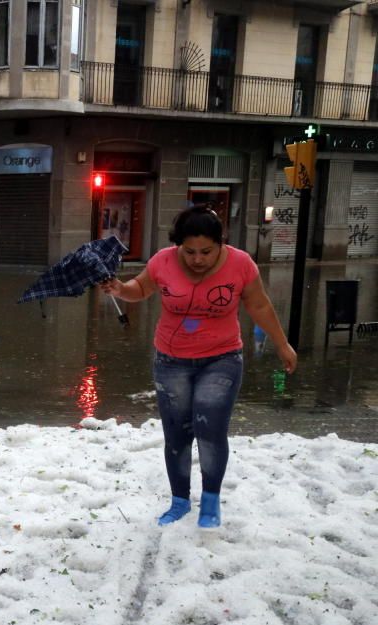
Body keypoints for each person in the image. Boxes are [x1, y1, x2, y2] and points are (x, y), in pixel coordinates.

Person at [100, 205, 297, 529]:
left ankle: (209, 502)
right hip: (171, 361)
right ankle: (179, 501)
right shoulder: (162, 261)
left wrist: (281, 343)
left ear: (221, 243)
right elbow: (142, 288)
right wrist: (121, 289)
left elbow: (259, 304)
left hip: (221, 359)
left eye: (206, 251)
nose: (197, 259)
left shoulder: (240, 264)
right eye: (189, 251)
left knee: (209, 427)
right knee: (177, 434)